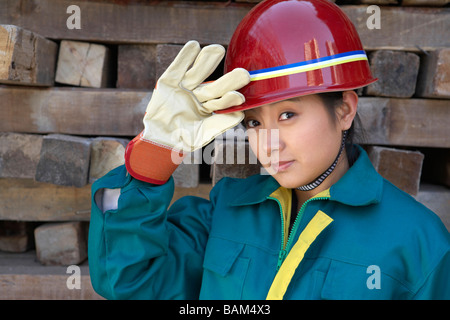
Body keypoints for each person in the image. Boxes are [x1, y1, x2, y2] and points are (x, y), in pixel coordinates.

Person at [88, 0, 450, 300]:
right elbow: (129, 282)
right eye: (254, 123)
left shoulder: (418, 242)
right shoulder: (226, 209)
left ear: (344, 110)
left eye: (288, 114)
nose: (268, 144)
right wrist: (154, 155)